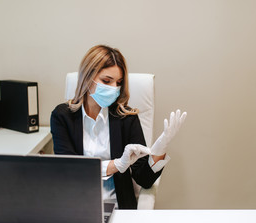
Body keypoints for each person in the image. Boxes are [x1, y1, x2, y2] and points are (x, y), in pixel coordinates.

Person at [50, 45, 186, 209]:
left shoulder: (126, 118)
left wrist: (159, 151)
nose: (114, 88)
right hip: (77, 205)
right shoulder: (62, 116)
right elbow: (68, 170)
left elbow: (144, 180)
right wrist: (116, 165)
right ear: (87, 77)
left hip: (117, 206)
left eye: (118, 83)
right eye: (106, 81)